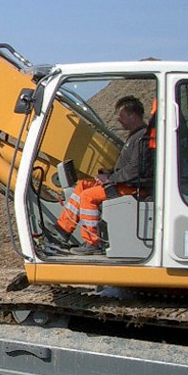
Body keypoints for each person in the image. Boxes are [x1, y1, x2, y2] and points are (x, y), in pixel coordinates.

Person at [55, 95, 154, 255]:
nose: (119, 121)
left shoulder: (142, 138)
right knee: (82, 185)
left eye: (121, 117)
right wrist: (110, 172)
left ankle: (92, 242)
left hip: (132, 188)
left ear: (132, 115)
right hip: (124, 183)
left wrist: (110, 179)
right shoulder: (136, 136)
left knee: (88, 196)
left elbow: (134, 170)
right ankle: (62, 230)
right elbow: (130, 167)